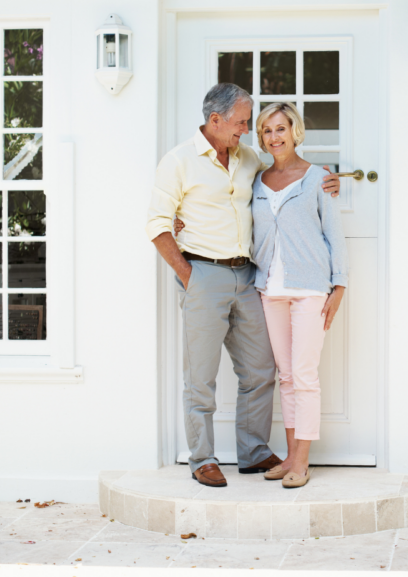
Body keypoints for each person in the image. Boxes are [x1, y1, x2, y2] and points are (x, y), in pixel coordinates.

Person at [146, 83, 340, 488]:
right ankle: (202, 458)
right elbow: (158, 226)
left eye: (251, 123)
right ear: (215, 120)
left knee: (260, 368)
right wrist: (189, 276)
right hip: (203, 274)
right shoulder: (178, 162)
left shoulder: (248, 158)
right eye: (241, 123)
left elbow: (287, 174)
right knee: (200, 375)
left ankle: (252, 452)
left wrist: (328, 182)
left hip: (251, 275)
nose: (248, 130)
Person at [250, 102, 348, 488]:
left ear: (295, 131)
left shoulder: (317, 178)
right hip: (269, 288)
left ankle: (302, 462)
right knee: (287, 376)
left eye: (280, 128)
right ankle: (290, 456)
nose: (274, 137)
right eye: (266, 131)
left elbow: (334, 234)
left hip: (309, 288)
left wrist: (338, 285)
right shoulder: (256, 181)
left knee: (304, 375)